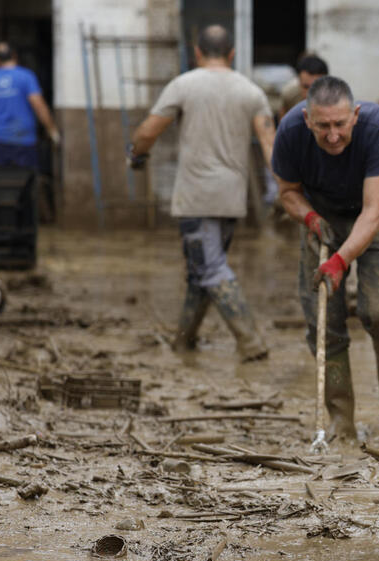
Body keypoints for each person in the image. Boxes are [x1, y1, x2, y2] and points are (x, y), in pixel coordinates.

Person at [271, 75, 379, 438]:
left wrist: (340, 261)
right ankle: (340, 417)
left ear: (355, 116)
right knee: (323, 319)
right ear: (307, 119)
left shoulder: (378, 126)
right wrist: (309, 217)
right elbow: (287, 191)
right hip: (322, 215)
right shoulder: (289, 131)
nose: (332, 134)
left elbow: (374, 212)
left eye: (339, 124)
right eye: (322, 126)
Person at [126, 25, 276, 362]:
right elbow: (270, 146)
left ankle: (251, 342)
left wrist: (136, 155)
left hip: (196, 196)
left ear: (197, 52)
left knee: (210, 269)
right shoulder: (251, 92)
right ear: (232, 53)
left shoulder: (183, 85)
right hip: (231, 197)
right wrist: (284, 187)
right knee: (202, 271)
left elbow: (148, 131)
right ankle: (184, 340)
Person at [0, 42, 61, 169]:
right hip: (24, 139)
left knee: (2, 181)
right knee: (26, 180)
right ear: (14, 56)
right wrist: (52, 130)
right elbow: (38, 105)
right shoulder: (26, 76)